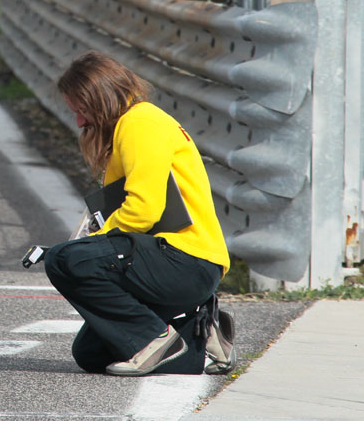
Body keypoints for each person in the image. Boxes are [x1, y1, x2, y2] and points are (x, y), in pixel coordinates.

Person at [43, 51, 233, 376]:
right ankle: (201, 333)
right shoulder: (133, 124)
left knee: (65, 260)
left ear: (101, 98)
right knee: (91, 353)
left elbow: (143, 210)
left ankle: (154, 339)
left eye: (82, 110)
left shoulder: (140, 123)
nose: (79, 122)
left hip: (184, 260)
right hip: (176, 263)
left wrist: (90, 244)